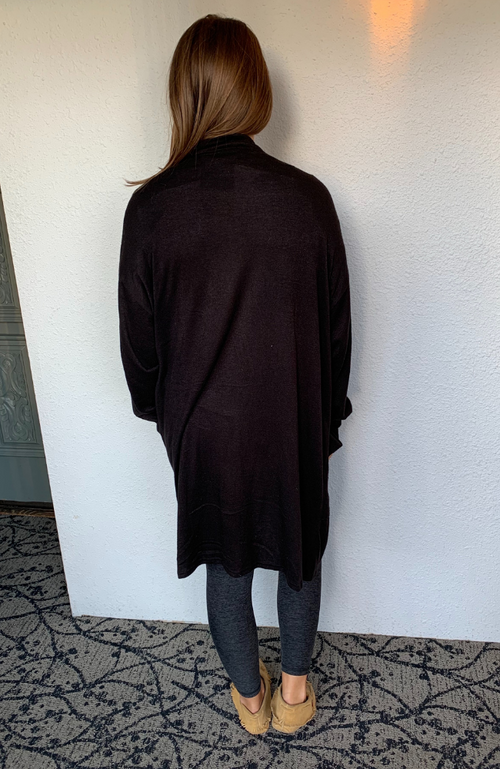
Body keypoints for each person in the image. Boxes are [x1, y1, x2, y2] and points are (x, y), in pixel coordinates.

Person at [118, 14, 353, 735]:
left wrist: (165, 416)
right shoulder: (307, 199)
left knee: (227, 563)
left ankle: (249, 701)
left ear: (183, 92)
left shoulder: (150, 209)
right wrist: (326, 418)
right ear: (256, 90)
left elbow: (139, 346)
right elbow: (336, 331)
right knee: (298, 555)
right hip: (290, 417)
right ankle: (293, 694)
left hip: (203, 428)